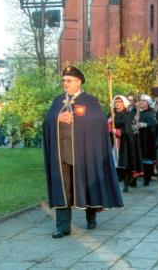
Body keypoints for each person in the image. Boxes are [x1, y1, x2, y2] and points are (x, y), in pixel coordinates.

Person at [43, 66, 123, 239]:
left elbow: (98, 121)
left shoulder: (89, 101)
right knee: (62, 188)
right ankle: (63, 227)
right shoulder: (58, 101)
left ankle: (91, 216)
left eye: (69, 80)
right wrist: (57, 118)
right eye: (64, 80)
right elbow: (47, 121)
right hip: (61, 154)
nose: (65, 83)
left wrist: (77, 120)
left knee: (86, 185)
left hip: (83, 154)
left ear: (78, 82)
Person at [110, 95, 143, 192]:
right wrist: (109, 122)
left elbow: (128, 129)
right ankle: (116, 180)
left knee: (126, 162)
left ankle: (127, 182)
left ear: (124, 103)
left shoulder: (128, 114)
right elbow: (106, 127)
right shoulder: (111, 114)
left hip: (125, 142)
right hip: (113, 141)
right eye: (116, 102)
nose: (117, 103)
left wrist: (118, 131)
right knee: (114, 162)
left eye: (119, 102)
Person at [137, 94, 157, 186]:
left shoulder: (151, 112)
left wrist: (144, 124)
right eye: (141, 100)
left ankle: (147, 177)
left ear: (148, 103)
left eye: (144, 101)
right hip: (138, 137)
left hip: (148, 138)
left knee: (147, 157)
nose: (142, 102)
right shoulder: (136, 112)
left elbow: (154, 123)